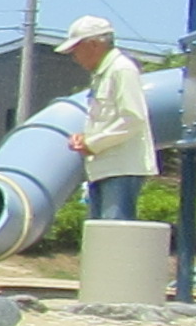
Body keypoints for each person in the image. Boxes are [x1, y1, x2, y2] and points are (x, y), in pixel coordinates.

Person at [58, 15, 156, 221]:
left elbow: (133, 118)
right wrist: (85, 139)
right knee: (101, 234)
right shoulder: (104, 73)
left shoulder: (122, 69)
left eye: (76, 49)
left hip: (121, 168)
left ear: (94, 44)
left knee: (113, 233)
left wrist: (92, 143)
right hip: (105, 168)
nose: (74, 57)